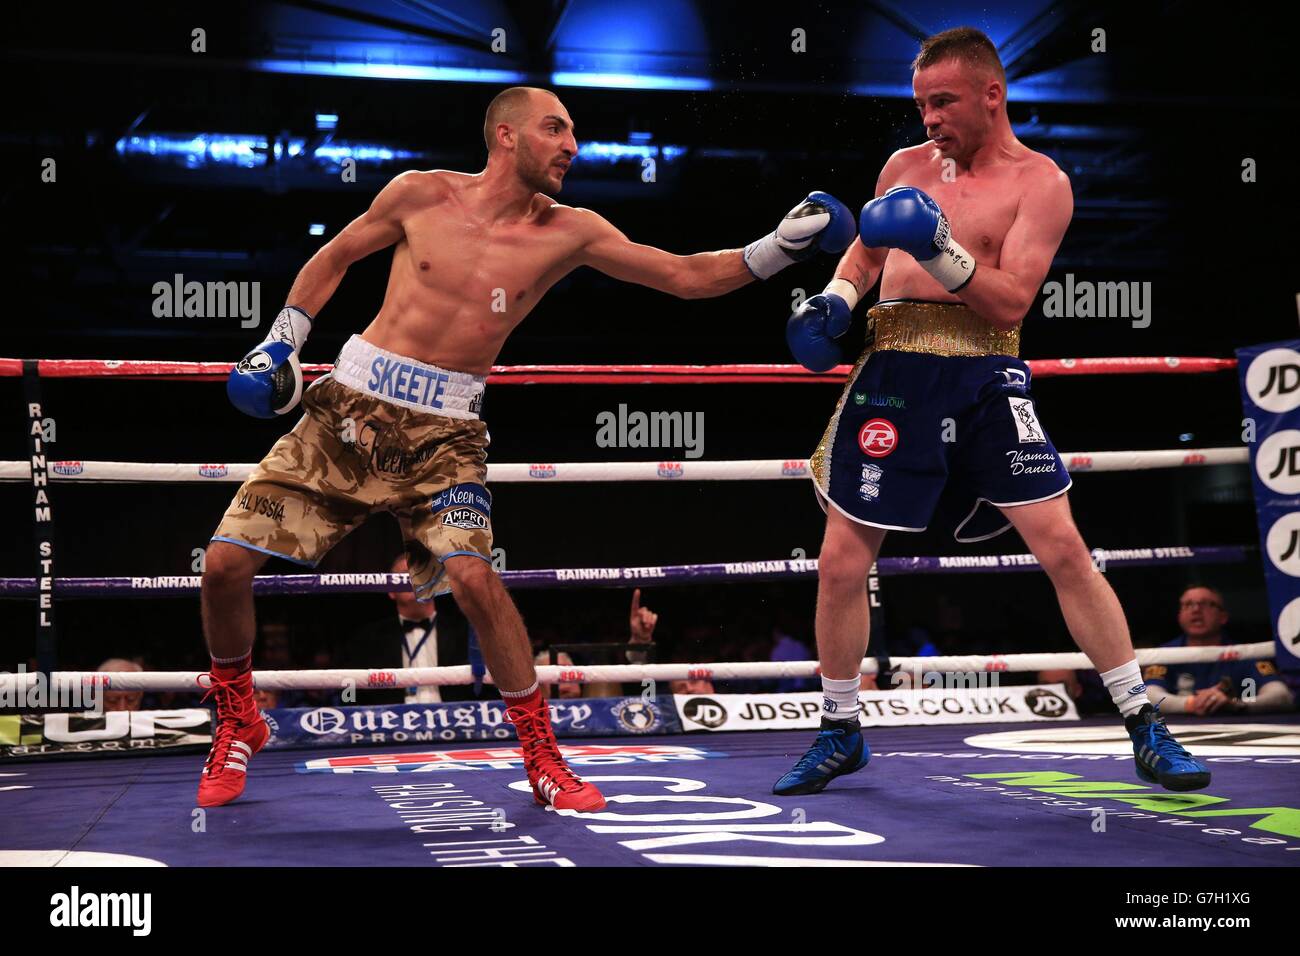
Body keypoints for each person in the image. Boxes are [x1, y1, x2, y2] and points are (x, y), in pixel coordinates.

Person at [197, 85, 854, 810]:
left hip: (446, 432)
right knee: (225, 565)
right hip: (346, 411)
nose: (572, 145)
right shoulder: (420, 193)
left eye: (573, 132)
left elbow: (684, 276)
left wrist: (782, 245)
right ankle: (238, 718)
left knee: (475, 579)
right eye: (555, 129)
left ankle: (542, 757)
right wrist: (280, 341)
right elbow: (335, 255)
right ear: (506, 136)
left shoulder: (570, 230)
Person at [774, 27, 1210, 797]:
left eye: (943, 101)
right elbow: (867, 253)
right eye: (920, 103)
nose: (929, 117)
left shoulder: (1042, 183)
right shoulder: (905, 166)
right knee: (842, 560)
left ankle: (1145, 723)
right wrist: (836, 302)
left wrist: (938, 244)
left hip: (987, 373)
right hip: (895, 370)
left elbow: (1011, 297)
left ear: (991, 94)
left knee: (1066, 550)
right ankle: (840, 729)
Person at [1142, 586, 1294, 716]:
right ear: (1180, 616)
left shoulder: (1245, 654)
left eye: (1206, 604)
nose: (1196, 610)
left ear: (1223, 617)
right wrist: (1190, 704)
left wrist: (1236, 704)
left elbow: (1281, 695)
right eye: (1188, 604)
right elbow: (1149, 695)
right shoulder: (1164, 654)